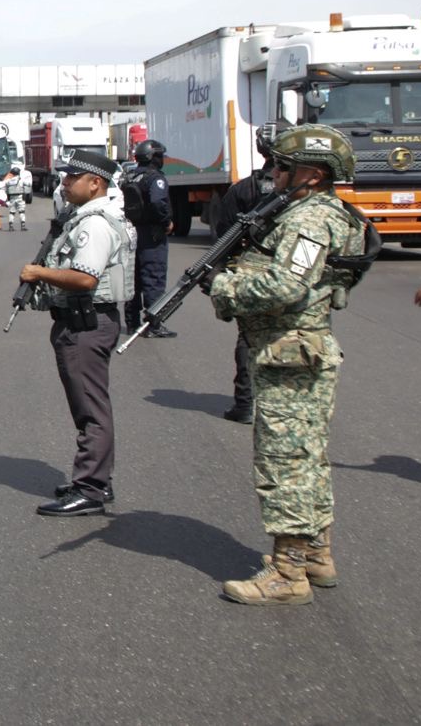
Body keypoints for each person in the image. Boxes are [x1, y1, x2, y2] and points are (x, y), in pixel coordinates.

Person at [208, 123, 368, 606]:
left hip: (291, 356)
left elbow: (285, 285)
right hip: (299, 351)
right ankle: (316, 554)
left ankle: (287, 573)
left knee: (285, 463)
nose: (273, 173)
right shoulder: (314, 211)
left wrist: (225, 287)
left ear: (313, 175)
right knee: (307, 458)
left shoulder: (309, 220)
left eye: (282, 166)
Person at [21, 149, 135, 516]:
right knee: (90, 405)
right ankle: (97, 479)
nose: (65, 183)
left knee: (90, 410)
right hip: (84, 321)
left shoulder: (95, 224)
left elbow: (85, 278)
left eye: (72, 177)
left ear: (95, 183)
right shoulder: (86, 216)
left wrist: (38, 273)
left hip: (86, 324)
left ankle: (90, 489)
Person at [208, 124, 278, 423]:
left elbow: (224, 236)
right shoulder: (307, 193)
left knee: (249, 338)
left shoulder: (243, 189)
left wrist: (221, 272)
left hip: (250, 273)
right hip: (294, 276)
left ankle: (246, 403)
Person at [123, 139, 176, 338]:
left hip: (131, 233)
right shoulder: (155, 178)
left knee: (133, 279)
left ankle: (132, 323)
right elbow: (157, 201)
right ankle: (153, 325)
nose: (162, 159)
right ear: (153, 157)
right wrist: (166, 221)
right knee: (154, 278)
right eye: (160, 155)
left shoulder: (131, 176)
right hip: (151, 236)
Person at [1, 161, 28, 231]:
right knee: (21, 212)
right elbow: (28, 185)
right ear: (18, 173)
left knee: (12, 212)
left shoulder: (8, 181)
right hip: (20, 197)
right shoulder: (21, 180)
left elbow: (5, 189)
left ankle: (11, 226)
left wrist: (7, 198)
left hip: (12, 198)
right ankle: (23, 226)